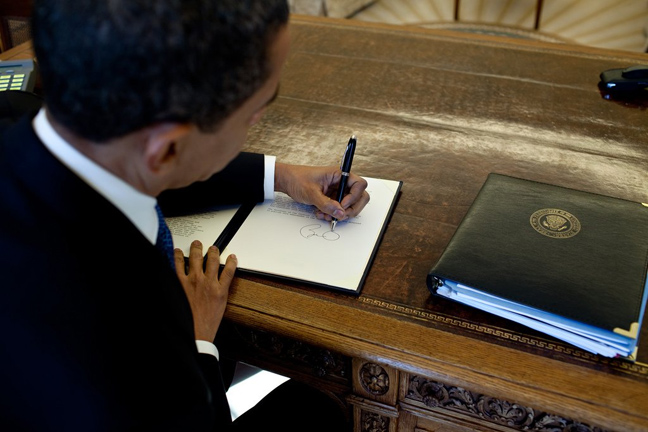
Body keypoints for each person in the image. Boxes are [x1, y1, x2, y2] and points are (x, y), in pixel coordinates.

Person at [0, 0, 369, 430]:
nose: (258, 119)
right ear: (168, 148)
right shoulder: (129, 383)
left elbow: (140, 157)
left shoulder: (20, 113)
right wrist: (195, 343)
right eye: (258, 110)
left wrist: (279, 176)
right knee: (320, 410)